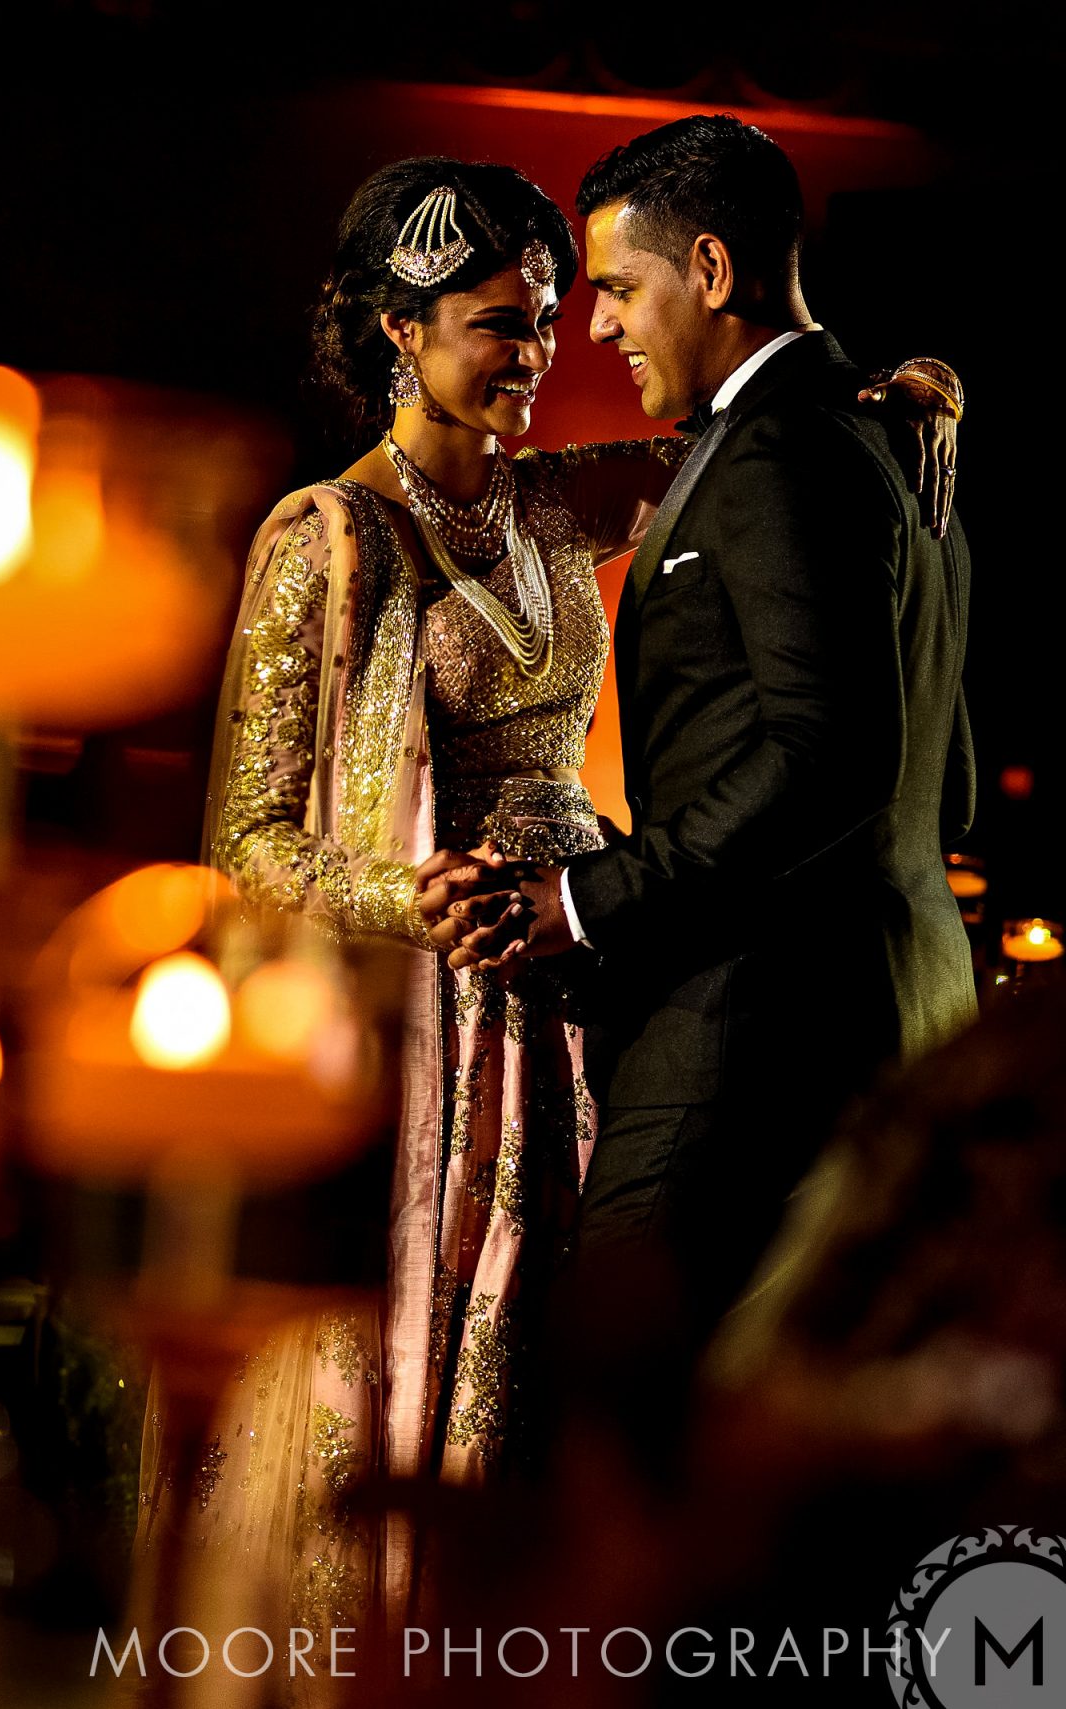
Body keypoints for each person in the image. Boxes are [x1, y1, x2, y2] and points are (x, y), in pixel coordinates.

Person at [137, 153, 960, 1644]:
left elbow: (754, 438)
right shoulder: (325, 537)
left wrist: (888, 397)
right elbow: (248, 840)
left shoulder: (554, 506)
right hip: (434, 1013)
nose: (538, 355)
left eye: (548, 316)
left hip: (585, 979)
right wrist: (414, 890)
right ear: (400, 330)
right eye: (493, 324)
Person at [454, 114, 977, 1461]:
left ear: (711, 266)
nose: (604, 328)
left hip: (755, 1030)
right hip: (901, 1015)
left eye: (620, 291)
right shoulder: (894, 449)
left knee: (615, 1426)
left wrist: (585, 900)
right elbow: (943, 781)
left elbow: (828, 756)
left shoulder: (785, 450)